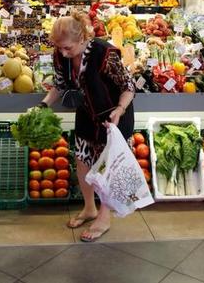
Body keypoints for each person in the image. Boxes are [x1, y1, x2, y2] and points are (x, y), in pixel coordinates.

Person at [40, 12, 135, 243]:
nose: (63, 52)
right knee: (83, 162)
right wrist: (42, 106)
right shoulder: (60, 55)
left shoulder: (105, 53)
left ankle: (104, 216)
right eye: (60, 47)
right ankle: (89, 208)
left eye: (68, 48)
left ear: (83, 38)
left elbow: (128, 86)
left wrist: (119, 110)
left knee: (108, 168)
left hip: (113, 116)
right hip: (86, 114)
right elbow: (60, 85)